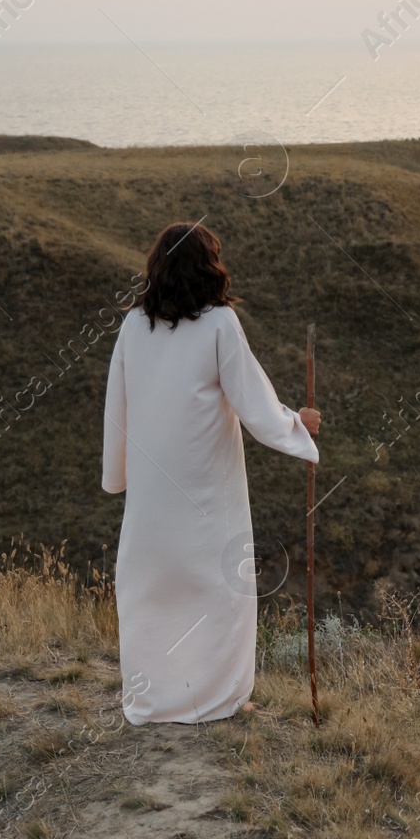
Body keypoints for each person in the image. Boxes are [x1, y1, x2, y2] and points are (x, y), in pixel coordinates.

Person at [101, 221, 321, 724]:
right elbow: (255, 405)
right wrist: (299, 424)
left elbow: (117, 407)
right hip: (205, 495)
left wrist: (118, 476)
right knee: (219, 593)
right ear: (209, 269)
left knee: (150, 594)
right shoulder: (220, 323)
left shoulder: (134, 325)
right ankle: (218, 699)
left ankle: (153, 701)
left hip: (152, 499)